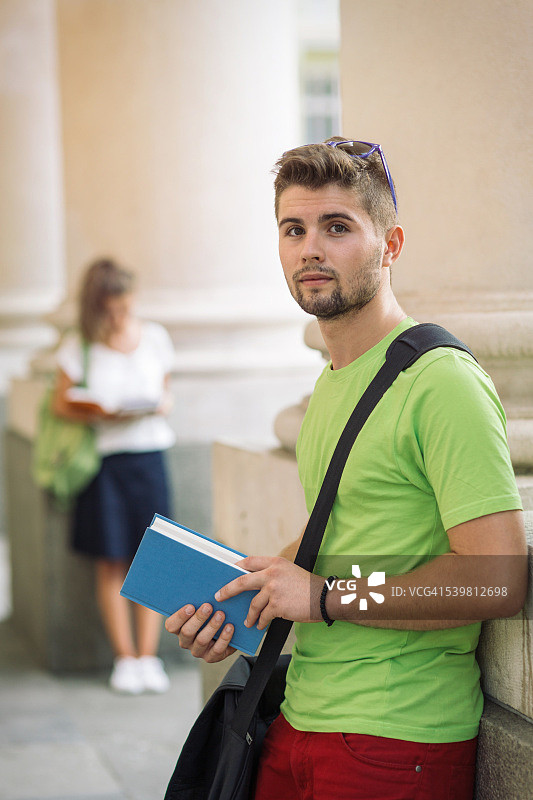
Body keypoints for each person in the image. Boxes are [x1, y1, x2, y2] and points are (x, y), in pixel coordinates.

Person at [165, 139, 527, 798]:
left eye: (337, 228)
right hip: (296, 717)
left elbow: (496, 578)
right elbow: (342, 530)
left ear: (389, 245)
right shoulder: (330, 380)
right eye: (293, 229)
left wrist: (328, 598)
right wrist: (236, 607)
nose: (310, 248)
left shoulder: (439, 380)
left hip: (396, 738)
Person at [53, 257, 176, 695]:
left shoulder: (155, 338)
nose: (120, 314)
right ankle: (125, 658)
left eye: (125, 304)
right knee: (111, 560)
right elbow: (60, 403)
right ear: (97, 305)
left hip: (149, 456)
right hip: (104, 462)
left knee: (155, 557)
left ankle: (149, 656)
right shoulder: (79, 345)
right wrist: (98, 409)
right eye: (111, 307)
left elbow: (165, 393)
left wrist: (157, 404)